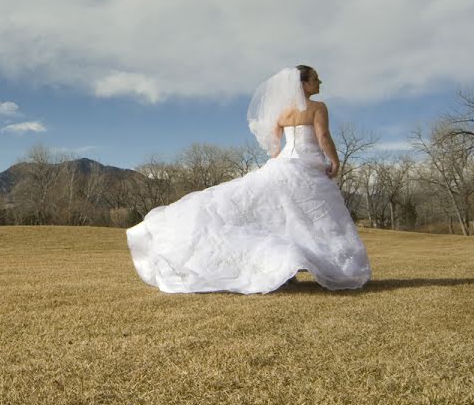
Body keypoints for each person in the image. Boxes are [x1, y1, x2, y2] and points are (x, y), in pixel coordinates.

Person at [126, 65, 371, 294]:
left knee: (281, 216)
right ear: (304, 84)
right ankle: (300, 266)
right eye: (316, 79)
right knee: (311, 218)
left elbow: (275, 146)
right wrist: (335, 161)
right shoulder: (318, 108)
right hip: (308, 165)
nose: (320, 82)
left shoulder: (282, 112)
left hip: (285, 164)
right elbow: (323, 135)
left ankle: (287, 267)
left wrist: (278, 164)